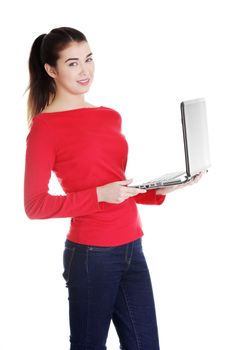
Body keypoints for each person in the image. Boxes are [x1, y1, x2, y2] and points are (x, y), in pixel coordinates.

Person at [24, 26, 203, 350]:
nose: (85, 70)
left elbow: (114, 184)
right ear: (51, 69)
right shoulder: (45, 127)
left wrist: (162, 190)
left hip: (132, 246)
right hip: (91, 255)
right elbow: (35, 205)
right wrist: (96, 196)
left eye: (89, 59)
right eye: (73, 63)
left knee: (145, 345)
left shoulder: (109, 116)